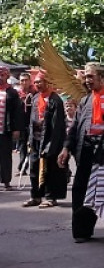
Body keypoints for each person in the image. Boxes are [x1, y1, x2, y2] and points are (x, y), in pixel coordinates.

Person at [58, 63, 104, 242]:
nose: (87, 80)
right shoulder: (85, 100)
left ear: (102, 77)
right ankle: (82, 231)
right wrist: (66, 148)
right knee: (81, 189)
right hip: (86, 151)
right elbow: (74, 128)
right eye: (86, 76)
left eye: (91, 76)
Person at [23, 72, 67, 208]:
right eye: (35, 82)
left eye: (40, 82)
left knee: (50, 169)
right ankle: (35, 196)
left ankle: (50, 197)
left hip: (50, 140)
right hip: (36, 139)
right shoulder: (35, 98)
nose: (37, 85)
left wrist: (50, 146)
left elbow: (57, 125)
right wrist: (30, 139)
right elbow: (31, 121)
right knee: (34, 168)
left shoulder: (55, 100)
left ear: (47, 82)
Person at [0, 65, 21, 191]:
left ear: (7, 76)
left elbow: (17, 112)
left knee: (5, 156)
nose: (0, 78)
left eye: (2, 75)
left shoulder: (12, 92)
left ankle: (6, 181)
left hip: (5, 130)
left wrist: (16, 129)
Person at [16, 72, 34, 177]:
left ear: (29, 81)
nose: (24, 82)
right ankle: (22, 168)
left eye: (26, 80)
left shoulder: (35, 93)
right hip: (21, 124)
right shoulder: (17, 94)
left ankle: (34, 168)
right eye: (22, 80)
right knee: (22, 147)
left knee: (34, 146)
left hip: (33, 123)